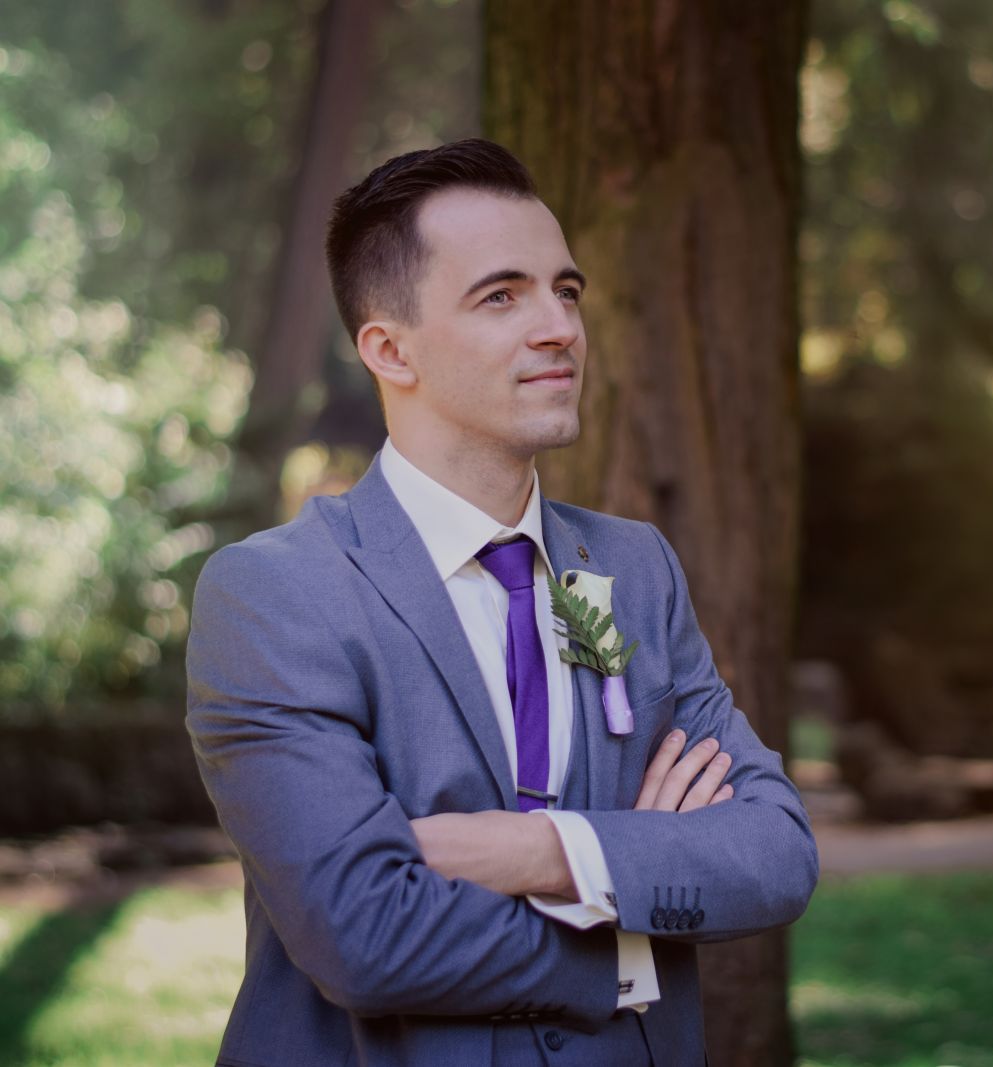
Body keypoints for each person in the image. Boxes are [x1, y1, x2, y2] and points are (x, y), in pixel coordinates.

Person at [185, 137, 818, 1067]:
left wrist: (543, 850)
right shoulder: (276, 593)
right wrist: (630, 931)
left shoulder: (636, 568)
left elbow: (775, 850)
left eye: (567, 290)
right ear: (389, 349)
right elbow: (365, 933)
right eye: (501, 296)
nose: (559, 326)